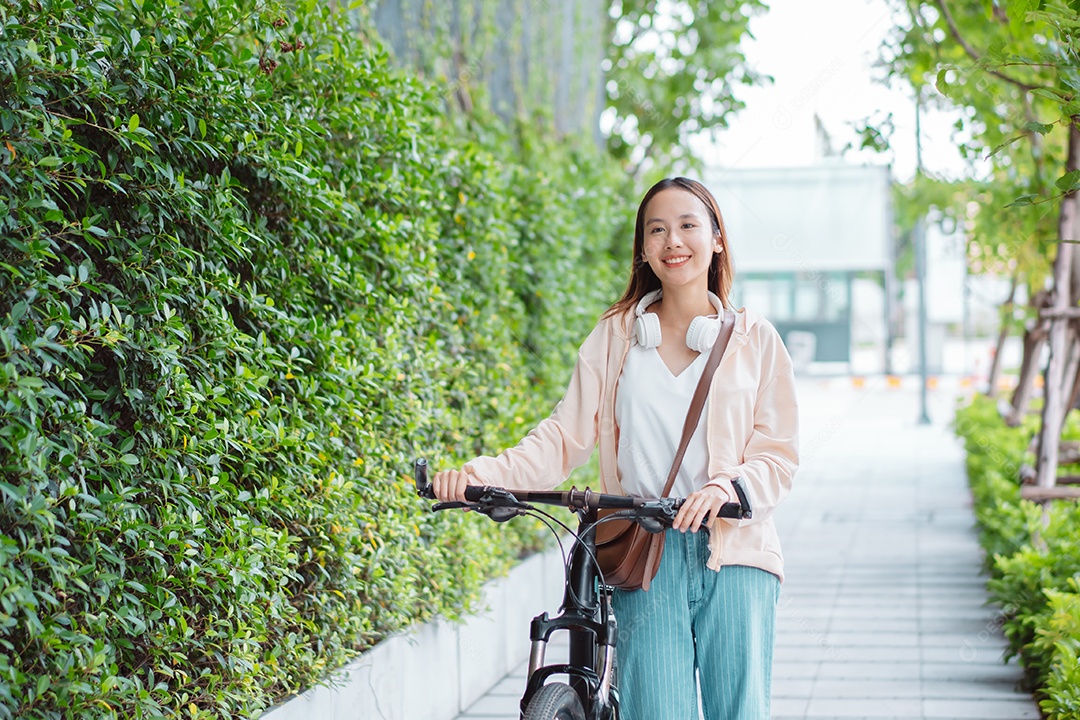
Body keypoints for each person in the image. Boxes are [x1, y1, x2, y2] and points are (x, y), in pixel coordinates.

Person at [432, 176, 799, 719]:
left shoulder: (755, 339)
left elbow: (778, 454)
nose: (673, 240)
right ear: (644, 249)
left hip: (736, 555)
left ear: (717, 238)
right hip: (644, 554)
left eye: (687, 225)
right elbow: (563, 435)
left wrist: (727, 485)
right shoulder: (617, 336)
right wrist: (478, 475)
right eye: (657, 230)